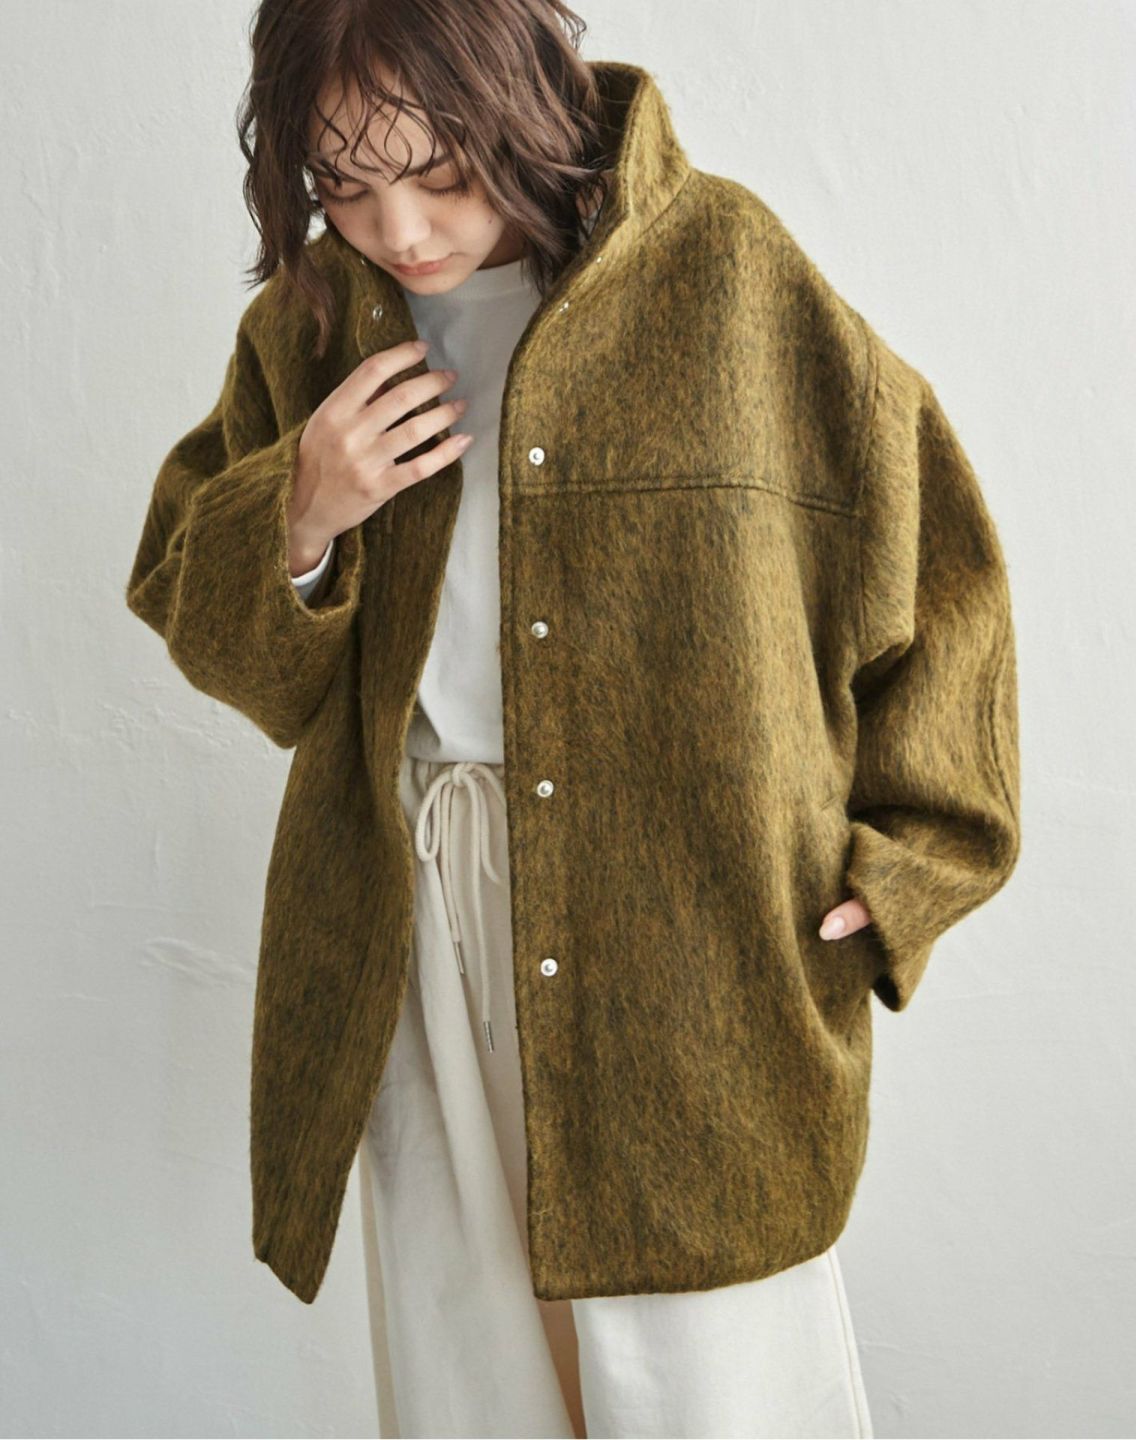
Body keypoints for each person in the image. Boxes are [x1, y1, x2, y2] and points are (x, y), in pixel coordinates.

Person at [126, 2, 1019, 1436]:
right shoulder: (310, 327)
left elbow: (936, 570)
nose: (400, 231)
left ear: (520, 105)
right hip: (419, 918)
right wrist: (300, 510)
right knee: (470, 1373)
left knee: (710, 1383)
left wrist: (914, 863)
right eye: (342, 186)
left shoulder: (726, 272)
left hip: (693, 929)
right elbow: (228, 647)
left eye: (440, 173)